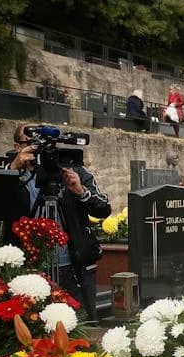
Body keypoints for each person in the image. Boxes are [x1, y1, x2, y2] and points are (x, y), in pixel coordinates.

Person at [8, 123, 111, 321]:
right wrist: (13, 171)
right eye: (32, 142)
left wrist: (80, 192)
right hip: (28, 270)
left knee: (80, 326)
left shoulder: (75, 171)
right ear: (18, 147)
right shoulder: (11, 173)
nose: (40, 148)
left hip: (74, 268)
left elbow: (104, 209)